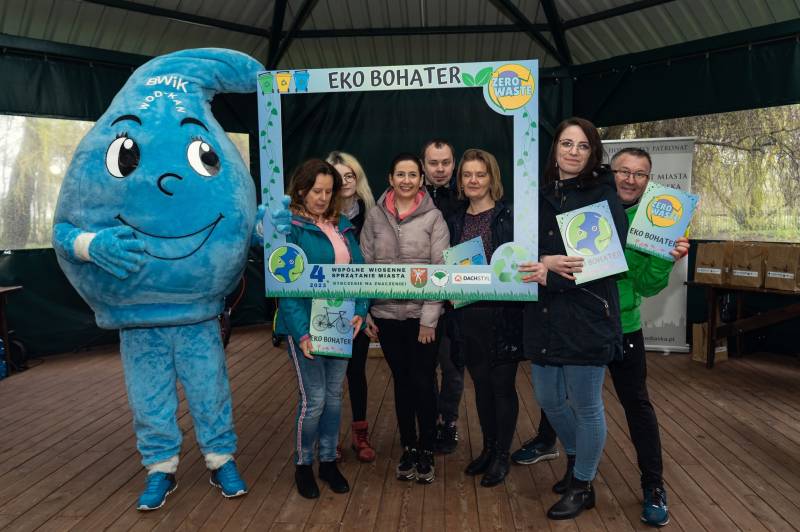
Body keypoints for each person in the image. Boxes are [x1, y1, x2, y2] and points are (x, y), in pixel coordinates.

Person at [515, 147, 690, 526]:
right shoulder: (585, 206)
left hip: (623, 327)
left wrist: (665, 257)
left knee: (636, 406)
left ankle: (653, 485)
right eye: (623, 170)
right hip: (577, 323)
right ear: (609, 172)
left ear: (649, 181)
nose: (630, 179)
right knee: (555, 398)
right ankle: (572, 462)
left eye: (640, 174)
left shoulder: (654, 223)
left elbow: (646, 284)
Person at [520, 117, 628, 520]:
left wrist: (550, 274)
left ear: (592, 153)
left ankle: (582, 485)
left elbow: (606, 260)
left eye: (583, 146)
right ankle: (578, 460)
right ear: (555, 149)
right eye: (566, 143)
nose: (573, 152)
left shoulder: (604, 195)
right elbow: (518, 250)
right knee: (548, 399)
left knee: (586, 406)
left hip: (587, 316)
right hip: (545, 315)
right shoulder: (537, 195)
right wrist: (543, 261)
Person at [275, 159, 368, 499]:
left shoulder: (342, 224)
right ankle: (303, 465)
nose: (323, 198)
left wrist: (360, 311)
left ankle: (328, 462)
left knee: (333, 397)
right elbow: (285, 287)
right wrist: (302, 333)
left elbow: (361, 272)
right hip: (304, 327)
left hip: (340, 323)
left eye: (328, 192)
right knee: (313, 400)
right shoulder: (289, 228)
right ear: (301, 190)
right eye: (317, 191)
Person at [447, 149, 536, 487]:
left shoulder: (510, 216)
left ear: (491, 178)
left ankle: (501, 454)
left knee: (502, 387)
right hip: (467, 314)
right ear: (460, 180)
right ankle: (487, 448)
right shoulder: (455, 220)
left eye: (480, 174)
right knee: (481, 386)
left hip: (504, 314)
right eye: (467, 174)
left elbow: (522, 262)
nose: (473, 180)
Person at [360, 152, 450, 483]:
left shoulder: (435, 218)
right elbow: (363, 266)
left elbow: (441, 271)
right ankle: (409, 446)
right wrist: (366, 310)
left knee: (423, 381)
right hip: (385, 315)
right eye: (401, 174)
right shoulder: (374, 217)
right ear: (390, 179)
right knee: (401, 382)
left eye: (413, 175)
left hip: (421, 317)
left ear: (421, 180)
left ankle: (427, 448)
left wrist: (429, 319)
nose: (407, 180)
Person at [325, 150, 377, 463]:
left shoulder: (372, 213)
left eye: (350, 175)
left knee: (356, 372)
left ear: (358, 180)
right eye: (338, 176)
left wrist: (365, 309)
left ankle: (361, 434)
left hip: (359, 305)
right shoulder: (319, 215)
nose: (345, 181)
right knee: (329, 378)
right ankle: (329, 438)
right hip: (328, 305)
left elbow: (373, 266)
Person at [421, 139, 464, 454]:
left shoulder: (465, 197)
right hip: (419, 299)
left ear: (454, 164)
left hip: (455, 302)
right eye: (433, 163)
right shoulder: (410, 196)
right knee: (423, 368)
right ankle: (428, 420)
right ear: (423, 165)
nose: (439, 169)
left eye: (445, 162)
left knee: (452, 369)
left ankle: (448, 422)